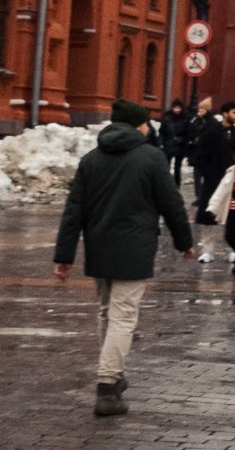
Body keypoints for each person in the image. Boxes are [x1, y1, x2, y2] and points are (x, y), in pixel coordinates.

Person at [53, 99, 196, 418]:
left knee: (107, 312)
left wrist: (64, 255)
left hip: (99, 246)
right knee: (123, 316)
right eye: (146, 122)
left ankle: (114, 375)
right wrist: (184, 241)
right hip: (134, 248)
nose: (150, 127)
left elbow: (73, 210)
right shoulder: (151, 158)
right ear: (138, 125)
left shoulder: (91, 159)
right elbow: (171, 203)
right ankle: (106, 386)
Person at [191, 101, 235, 226]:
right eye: (234, 112)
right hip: (213, 181)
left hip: (234, 182)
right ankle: (207, 245)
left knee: (234, 219)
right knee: (209, 217)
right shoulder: (211, 133)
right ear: (225, 114)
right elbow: (198, 157)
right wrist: (209, 174)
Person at [158, 99, 192, 184]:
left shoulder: (186, 118)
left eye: (178, 108)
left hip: (180, 146)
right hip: (168, 145)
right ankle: (166, 183)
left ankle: (177, 185)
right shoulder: (167, 118)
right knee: (166, 166)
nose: (177, 110)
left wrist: (182, 140)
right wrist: (161, 143)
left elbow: (188, 134)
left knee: (177, 167)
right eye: (175, 108)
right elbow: (162, 132)